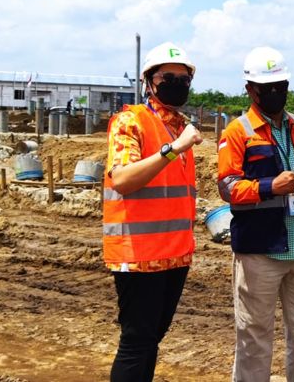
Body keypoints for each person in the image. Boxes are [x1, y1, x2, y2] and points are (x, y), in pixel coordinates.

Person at [217, 46, 294, 382]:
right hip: (260, 252)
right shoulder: (238, 131)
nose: (275, 93)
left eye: (281, 86)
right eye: (267, 88)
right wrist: (269, 186)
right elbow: (227, 188)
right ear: (250, 90)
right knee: (254, 334)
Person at [102, 41, 203, 382]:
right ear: (149, 81)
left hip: (174, 255)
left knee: (151, 340)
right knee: (136, 341)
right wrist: (173, 149)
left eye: (183, 79)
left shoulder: (179, 127)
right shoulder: (131, 121)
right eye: (167, 78)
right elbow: (122, 179)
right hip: (139, 254)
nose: (177, 84)